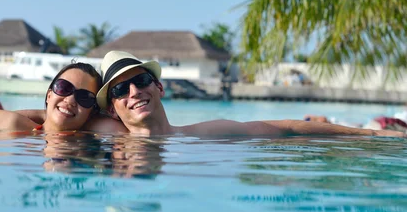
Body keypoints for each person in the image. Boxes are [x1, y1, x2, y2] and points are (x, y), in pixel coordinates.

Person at [96, 51, 407, 138]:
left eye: (141, 80)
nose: (134, 91)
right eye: (121, 89)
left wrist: (369, 134)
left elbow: (285, 128)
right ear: (111, 109)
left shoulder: (203, 133)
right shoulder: (104, 138)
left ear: (159, 87)